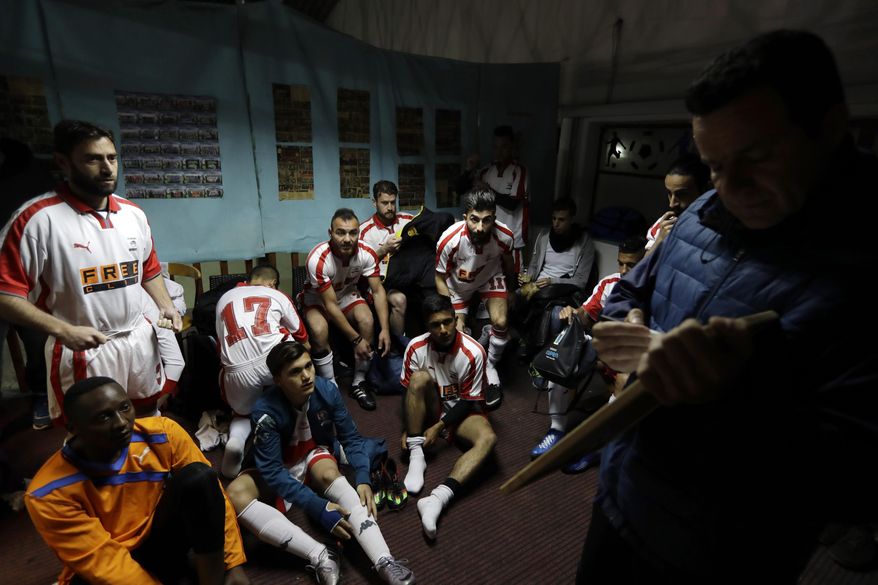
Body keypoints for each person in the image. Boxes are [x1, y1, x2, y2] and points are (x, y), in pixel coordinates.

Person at [580, 30, 878, 584]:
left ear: (832, 128)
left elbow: (857, 479)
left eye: (756, 157)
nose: (730, 187)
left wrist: (733, 399)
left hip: (723, 550)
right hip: (624, 490)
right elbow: (627, 293)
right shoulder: (700, 212)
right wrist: (635, 330)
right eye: (714, 164)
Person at [0, 120, 182, 422]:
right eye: (93, 159)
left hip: (137, 339)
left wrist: (167, 306)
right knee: (94, 430)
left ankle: (146, 470)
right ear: (63, 163)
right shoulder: (37, 219)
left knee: (148, 415)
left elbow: (148, 269)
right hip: (84, 346)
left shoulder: (133, 215)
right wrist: (63, 330)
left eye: (111, 158)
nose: (107, 168)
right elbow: (5, 293)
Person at [25, 377, 248, 585]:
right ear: (73, 429)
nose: (122, 423)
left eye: (124, 408)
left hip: (158, 541)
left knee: (200, 477)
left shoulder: (164, 433)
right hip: (106, 564)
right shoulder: (47, 492)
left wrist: (232, 564)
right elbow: (104, 562)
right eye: (104, 417)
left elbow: (213, 496)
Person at [226, 341, 415, 585]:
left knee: (329, 473)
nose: (306, 376)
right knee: (234, 494)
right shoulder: (264, 412)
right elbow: (273, 471)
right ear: (278, 379)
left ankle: (384, 560)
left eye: (308, 366)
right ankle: (321, 555)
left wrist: (363, 477)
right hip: (279, 463)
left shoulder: (326, 390)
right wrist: (316, 506)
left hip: (313, 451)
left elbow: (350, 437)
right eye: (295, 372)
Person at [532, 236, 647, 465]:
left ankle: (601, 447)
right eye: (621, 263)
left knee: (624, 381)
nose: (624, 270)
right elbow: (585, 315)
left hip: (635, 359)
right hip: (602, 347)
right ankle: (556, 430)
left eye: (631, 265)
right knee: (562, 356)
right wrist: (572, 313)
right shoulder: (610, 284)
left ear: (645, 261)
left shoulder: (655, 290)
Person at [400, 295, 497, 539]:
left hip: (462, 412)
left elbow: (467, 401)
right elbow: (411, 391)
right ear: (426, 326)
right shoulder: (415, 347)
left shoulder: (474, 352)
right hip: (433, 404)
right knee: (419, 378)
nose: (443, 330)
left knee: (488, 438)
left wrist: (438, 427)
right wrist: (413, 426)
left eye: (447, 322)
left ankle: (436, 499)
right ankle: (416, 452)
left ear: (455, 320)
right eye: (435, 325)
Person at [215, 264, 309, 478]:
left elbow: (220, 346)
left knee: (241, 412)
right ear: (273, 284)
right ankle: (297, 430)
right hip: (275, 366)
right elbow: (301, 334)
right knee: (294, 346)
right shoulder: (277, 295)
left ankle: (236, 441)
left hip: (236, 374)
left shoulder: (224, 298)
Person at [300, 208, 392, 411]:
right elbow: (330, 306)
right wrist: (356, 340)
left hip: (346, 294)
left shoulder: (367, 253)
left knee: (367, 320)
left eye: (353, 232)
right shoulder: (318, 258)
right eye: (341, 232)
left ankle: (358, 382)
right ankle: (330, 385)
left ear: (359, 233)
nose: (347, 238)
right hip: (319, 300)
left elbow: (377, 291)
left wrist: (384, 328)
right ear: (330, 233)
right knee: (319, 330)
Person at [435, 189, 514, 409]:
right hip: (457, 287)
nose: (480, 227)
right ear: (465, 217)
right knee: (454, 336)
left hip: (489, 277)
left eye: (486, 221)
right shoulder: (449, 240)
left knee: (500, 322)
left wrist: (513, 290)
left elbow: (508, 263)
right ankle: (467, 372)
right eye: (474, 220)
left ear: (494, 219)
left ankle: (490, 366)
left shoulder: (504, 235)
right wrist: (449, 311)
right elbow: (439, 278)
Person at [457, 125, 529, 271]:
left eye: (504, 147)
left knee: (511, 284)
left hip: (512, 241)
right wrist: (469, 168)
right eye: (496, 147)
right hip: (488, 238)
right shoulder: (487, 170)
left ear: (511, 147)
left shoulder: (520, 171)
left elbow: (512, 203)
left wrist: (487, 190)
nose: (499, 151)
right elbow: (460, 189)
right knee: (488, 283)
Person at [359, 180, 415, 335]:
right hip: (381, 282)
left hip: (408, 276)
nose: (390, 208)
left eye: (392, 202)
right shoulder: (364, 231)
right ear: (374, 203)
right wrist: (384, 249)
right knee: (399, 300)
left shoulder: (408, 221)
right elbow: (359, 268)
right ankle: (398, 345)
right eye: (384, 203)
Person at [521, 197, 594, 294]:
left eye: (561, 220)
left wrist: (552, 281)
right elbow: (534, 266)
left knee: (556, 309)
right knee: (513, 299)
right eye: (554, 218)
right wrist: (528, 277)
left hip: (562, 290)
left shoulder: (584, 242)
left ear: (571, 219)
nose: (556, 224)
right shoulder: (544, 236)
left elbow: (581, 281)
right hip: (537, 286)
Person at [644, 153, 710, 253]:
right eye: (669, 193)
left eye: (681, 194)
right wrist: (659, 241)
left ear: (705, 190)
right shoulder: (665, 223)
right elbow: (644, 266)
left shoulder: (719, 229)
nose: (672, 204)